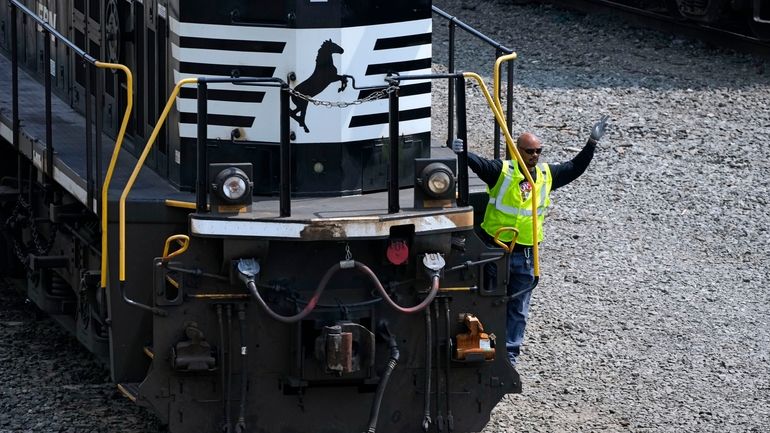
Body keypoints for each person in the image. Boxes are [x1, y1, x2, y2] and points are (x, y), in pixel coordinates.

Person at [466, 116, 609, 368]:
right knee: (488, 300)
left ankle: (509, 356)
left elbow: (575, 168)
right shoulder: (502, 171)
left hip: (526, 254)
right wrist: (460, 151)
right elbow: (478, 164)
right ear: (516, 150)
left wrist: (591, 143)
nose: (535, 155)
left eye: (538, 151)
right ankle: (485, 348)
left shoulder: (545, 175)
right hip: (494, 250)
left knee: (518, 307)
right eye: (529, 151)